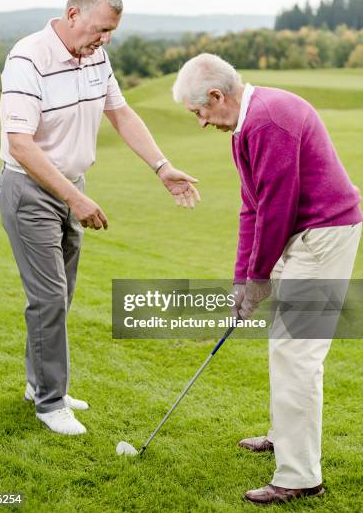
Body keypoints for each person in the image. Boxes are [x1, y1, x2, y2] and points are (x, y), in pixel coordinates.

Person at [0, 0, 200, 436]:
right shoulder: (27, 58)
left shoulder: (96, 57)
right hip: (31, 191)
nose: (104, 40)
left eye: (111, 32)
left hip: (71, 186)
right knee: (48, 298)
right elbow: (21, 145)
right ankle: (50, 403)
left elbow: (121, 113)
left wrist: (161, 166)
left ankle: (38, 383)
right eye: (100, 29)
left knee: (60, 296)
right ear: (73, 15)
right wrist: (75, 198)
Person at [172, 53, 362, 505]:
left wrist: (259, 277)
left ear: (218, 96)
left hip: (323, 234)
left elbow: (277, 207)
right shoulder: (246, 126)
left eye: (199, 112)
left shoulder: (267, 123)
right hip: (303, 231)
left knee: (297, 352)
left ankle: (299, 477)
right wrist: (244, 279)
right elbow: (252, 206)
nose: (200, 122)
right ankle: (284, 435)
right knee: (283, 343)